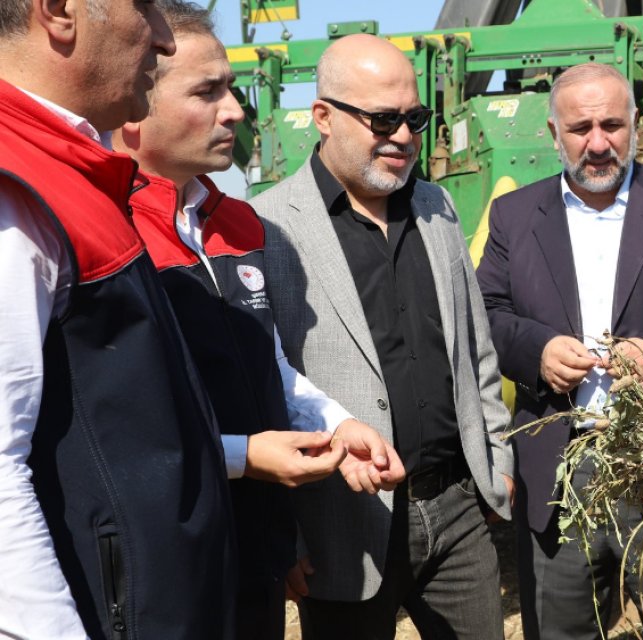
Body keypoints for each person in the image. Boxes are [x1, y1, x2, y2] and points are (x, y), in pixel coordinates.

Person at [110, 4, 406, 638]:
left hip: (256, 555)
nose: (236, 111)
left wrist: (335, 423)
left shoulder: (239, 225)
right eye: (207, 91)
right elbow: (117, 433)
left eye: (232, 88)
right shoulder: (108, 233)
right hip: (165, 563)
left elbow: (265, 363)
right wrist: (246, 457)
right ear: (136, 102)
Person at [251, 33, 514, 639]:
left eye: (413, 119)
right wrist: (283, 533)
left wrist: (496, 460)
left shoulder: (438, 206)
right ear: (323, 116)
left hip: (458, 512)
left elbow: (475, 348)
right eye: (382, 119)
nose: (401, 135)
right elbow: (264, 386)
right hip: (339, 527)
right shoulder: (268, 227)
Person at [0, 0, 237, 638]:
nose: (163, 39)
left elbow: (121, 432)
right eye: (146, 7)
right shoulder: (16, 189)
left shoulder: (71, 173)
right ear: (59, 13)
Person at [476, 62, 643, 640]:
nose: (599, 143)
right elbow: (485, 314)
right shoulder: (514, 215)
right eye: (581, 128)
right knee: (562, 628)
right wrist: (538, 351)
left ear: (636, 125)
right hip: (561, 463)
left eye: (613, 124)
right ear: (554, 134)